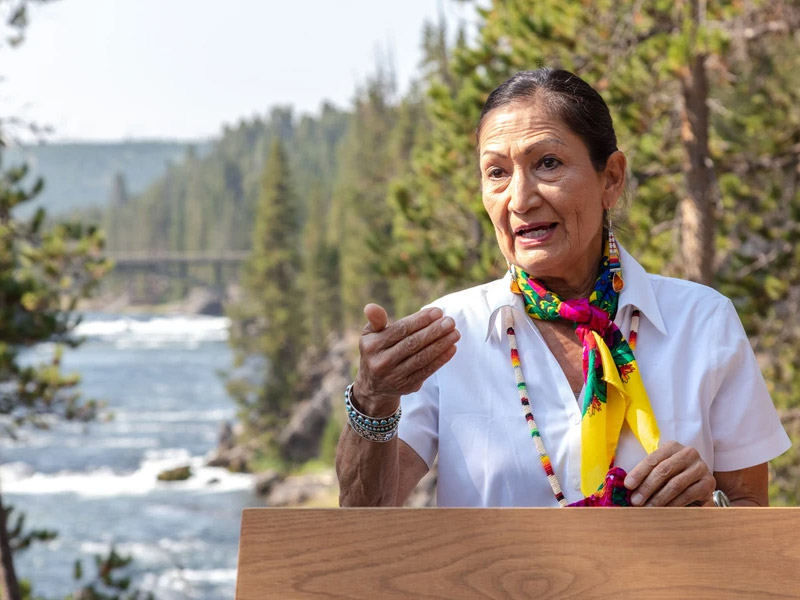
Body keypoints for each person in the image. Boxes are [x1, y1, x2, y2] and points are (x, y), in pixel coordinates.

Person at [335, 68, 791, 508]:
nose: (519, 198)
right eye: (496, 172)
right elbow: (363, 516)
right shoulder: (450, 336)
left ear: (611, 178)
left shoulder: (702, 322)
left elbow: (750, 508)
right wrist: (373, 398)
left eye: (547, 163)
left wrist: (707, 507)